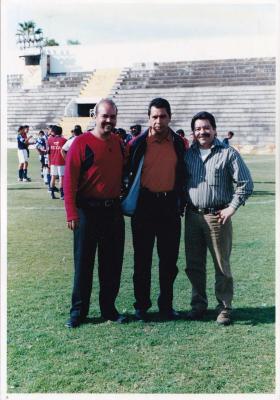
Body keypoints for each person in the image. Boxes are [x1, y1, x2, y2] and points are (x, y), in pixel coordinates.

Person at [184, 111, 253, 325]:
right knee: (194, 264)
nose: (202, 132)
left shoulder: (228, 153)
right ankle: (198, 304)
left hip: (217, 216)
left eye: (206, 128)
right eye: (198, 129)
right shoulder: (189, 154)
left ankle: (224, 307)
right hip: (192, 215)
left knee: (221, 265)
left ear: (214, 129)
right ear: (193, 132)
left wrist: (231, 208)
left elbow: (246, 183)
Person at [63, 98, 127, 328]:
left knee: (112, 264)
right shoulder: (81, 143)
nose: (108, 120)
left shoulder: (120, 143)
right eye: (104, 116)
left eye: (112, 116)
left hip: (112, 211)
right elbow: (68, 181)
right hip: (86, 211)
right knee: (84, 264)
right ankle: (78, 312)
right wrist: (71, 213)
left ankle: (109, 309)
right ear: (95, 116)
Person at [126, 98, 186, 321]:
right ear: (148, 118)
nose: (158, 121)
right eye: (154, 117)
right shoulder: (137, 144)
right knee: (142, 260)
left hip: (169, 206)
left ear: (170, 117)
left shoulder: (180, 143)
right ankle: (141, 305)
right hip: (144, 206)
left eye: (162, 116)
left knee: (169, 261)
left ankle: (166, 305)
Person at [48, 125, 67, 200]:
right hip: (61, 161)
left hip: (53, 161)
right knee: (61, 178)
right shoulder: (64, 140)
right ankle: (62, 194)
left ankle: (52, 193)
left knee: (53, 177)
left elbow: (48, 152)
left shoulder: (49, 140)